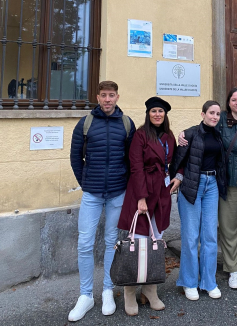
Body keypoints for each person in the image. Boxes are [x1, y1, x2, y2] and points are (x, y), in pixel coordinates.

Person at [178, 88, 237, 290]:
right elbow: (201, 130)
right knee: (227, 226)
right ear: (228, 103)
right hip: (227, 181)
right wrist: (184, 134)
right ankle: (233, 269)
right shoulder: (222, 122)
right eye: (233, 99)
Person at [69, 81, 136, 322]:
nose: (107, 100)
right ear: (97, 97)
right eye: (103, 96)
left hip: (118, 192)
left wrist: (126, 184)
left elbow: (132, 158)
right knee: (85, 243)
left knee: (111, 242)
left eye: (111, 95)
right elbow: (75, 157)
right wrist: (86, 183)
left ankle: (108, 290)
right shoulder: (85, 123)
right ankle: (86, 295)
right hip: (92, 194)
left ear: (117, 97)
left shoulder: (127, 124)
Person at [117, 96, 181, 316]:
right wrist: (141, 198)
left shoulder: (169, 135)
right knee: (139, 242)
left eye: (160, 111)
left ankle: (150, 290)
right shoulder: (141, 135)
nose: (157, 114)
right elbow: (135, 166)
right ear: (148, 113)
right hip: (143, 190)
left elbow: (173, 162)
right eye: (153, 111)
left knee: (156, 239)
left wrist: (176, 179)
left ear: (165, 115)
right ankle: (130, 292)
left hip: (162, 191)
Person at [170, 100, 227, 301]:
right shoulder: (190, 133)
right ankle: (189, 282)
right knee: (191, 236)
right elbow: (178, 161)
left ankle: (209, 282)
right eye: (211, 113)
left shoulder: (218, 135)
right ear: (202, 114)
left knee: (210, 236)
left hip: (212, 185)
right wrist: (179, 177)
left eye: (218, 114)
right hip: (192, 186)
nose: (214, 116)